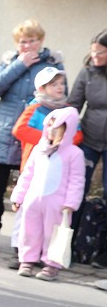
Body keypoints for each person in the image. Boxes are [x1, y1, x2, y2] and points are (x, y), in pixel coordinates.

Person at [0, 20, 63, 252]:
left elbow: (61, 94)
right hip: (4, 133)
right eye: (23, 42)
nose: (28, 46)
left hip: (34, 137)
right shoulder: (10, 61)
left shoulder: (51, 64)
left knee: (30, 194)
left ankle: (23, 241)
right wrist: (19, 65)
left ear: (41, 41)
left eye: (32, 41)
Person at [11, 107, 84, 281]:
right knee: (29, 230)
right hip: (33, 200)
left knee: (55, 234)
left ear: (67, 131)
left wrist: (70, 203)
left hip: (57, 204)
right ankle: (27, 260)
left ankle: (52, 265)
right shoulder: (39, 150)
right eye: (49, 127)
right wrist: (19, 196)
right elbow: (27, 175)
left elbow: (76, 180)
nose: (51, 131)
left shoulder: (74, 154)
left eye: (56, 128)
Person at [13, 67, 80, 172]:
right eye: (54, 84)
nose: (60, 87)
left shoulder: (68, 110)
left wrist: (61, 143)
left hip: (61, 163)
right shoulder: (34, 108)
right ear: (41, 89)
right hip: (34, 164)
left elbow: (78, 133)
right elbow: (19, 130)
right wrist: (49, 140)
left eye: (62, 83)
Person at [67, 32, 107, 204]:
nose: (95, 57)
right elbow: (73, 105)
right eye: (93, 52)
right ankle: (72, 230)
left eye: (100, 53)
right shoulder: (87, 74)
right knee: (77, 187)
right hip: (89, 139)